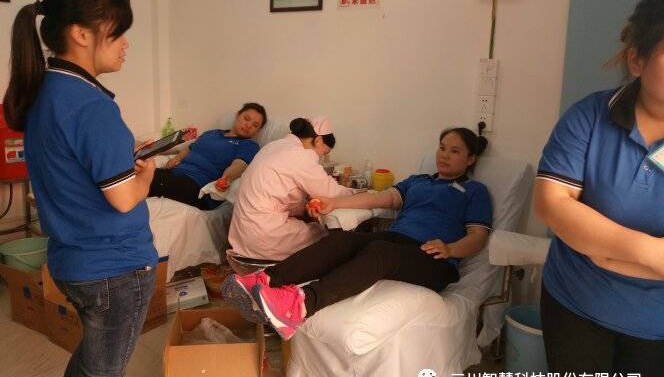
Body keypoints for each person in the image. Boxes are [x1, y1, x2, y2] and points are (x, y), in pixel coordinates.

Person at [3, 0, 157, 377]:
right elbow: (124, 199)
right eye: (118, 32)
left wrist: (121, 159)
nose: (126, 44)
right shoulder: (91, 105)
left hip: (73, 261)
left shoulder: (47, 91)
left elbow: (74, 167)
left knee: (92, 363)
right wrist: (148, 176)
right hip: (114, 267)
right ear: (81, 34)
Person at [223, 127, 492, 339]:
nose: (444, 155)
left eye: (454, 151)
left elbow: (478, 236)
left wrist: (450, 249)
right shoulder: (418, 182)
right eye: (442, 148)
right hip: (400, 241)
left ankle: (301, 304)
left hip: (436, 259)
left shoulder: (475, 191)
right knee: (343, 240)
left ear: (470, 159)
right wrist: (335, 202)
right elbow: (381, 198)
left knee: (380, 251)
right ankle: (265, 280)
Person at [535, 0, 664, 377]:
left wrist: (604, 248)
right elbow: (553, 205)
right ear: (637, 60)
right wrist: (652, 253)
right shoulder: (590, 117)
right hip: (576, 302)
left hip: (655, 323)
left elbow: (578, 222)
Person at [227, 116, 354, 261]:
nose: (320, 158)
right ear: (318, 140)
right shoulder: (301, 155)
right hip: (264, 235)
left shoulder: (272, 146)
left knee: (308, 225)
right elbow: (333, 193)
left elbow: (276, 193)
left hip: (241, 234)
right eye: (323, 153)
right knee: (326, 236)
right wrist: (360, 193)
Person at [148, 102, 266, 210]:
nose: (248, 125)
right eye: (246, 119)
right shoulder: (211, 133)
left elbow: (240, 165)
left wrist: (226, 178)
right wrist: (177, 158)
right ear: (237, 115)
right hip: (175, 173)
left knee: (148, 180)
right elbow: (189, 148)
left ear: (257, 130)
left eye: (255, 125)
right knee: (142, 172)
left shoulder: (249, 145)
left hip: (196, 185)